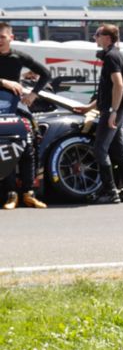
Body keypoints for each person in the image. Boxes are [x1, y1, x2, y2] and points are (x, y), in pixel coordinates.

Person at [73, 24, 123, 204]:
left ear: (107, 37)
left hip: (112, 111)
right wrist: (89, 107)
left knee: (100, 149)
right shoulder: (114, 55)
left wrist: (113, 112)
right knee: (119, 150)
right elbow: (106, 90)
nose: (95, 37)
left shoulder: (111, 57)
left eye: (97, 34)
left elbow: (119, 85)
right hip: (113, 109)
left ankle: (110, 192)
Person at [0, 21, 49, 209]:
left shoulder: (19, 57)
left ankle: (29, 193)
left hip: (16, 107)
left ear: (11, 38)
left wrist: (33, 94)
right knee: (6, 150)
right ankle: (10, 195)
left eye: (2, 37)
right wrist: (4, 81)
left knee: (27, 147)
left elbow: (45, 74)